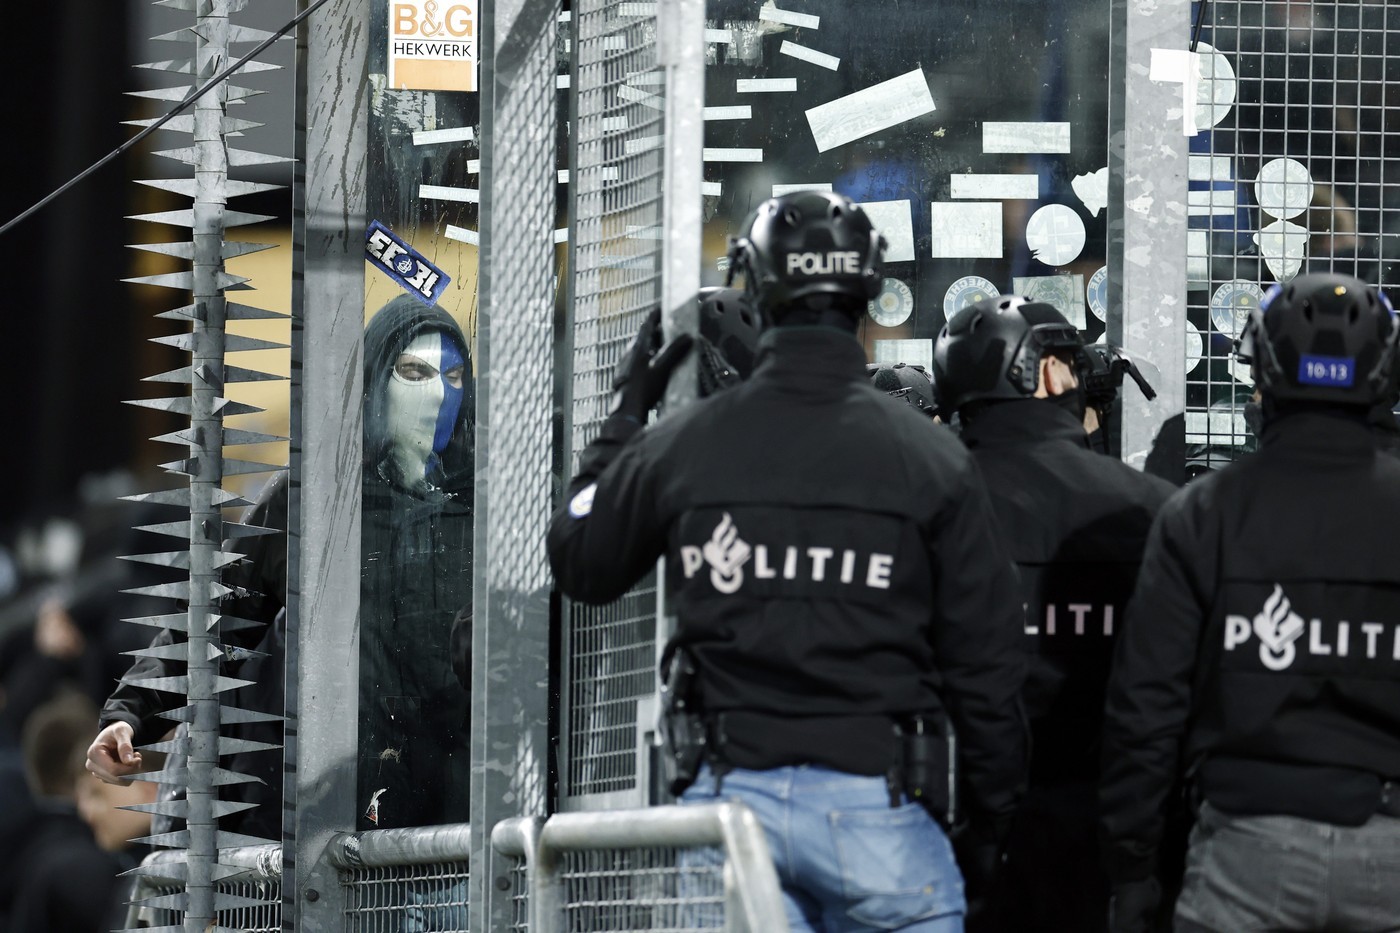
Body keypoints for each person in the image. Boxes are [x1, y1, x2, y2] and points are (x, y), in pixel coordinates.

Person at [549, 190, 1027, 932]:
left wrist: (622, 417)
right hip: (882, 810)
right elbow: (988, 670)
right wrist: (989, 828)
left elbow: (581, 556)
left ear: (757, 286)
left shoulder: (687, 443)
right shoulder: (932, 460)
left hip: (729, 812)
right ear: (867, 290)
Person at [1100, 272, 1400, 933]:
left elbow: (1146, 708)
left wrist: (1131, 865)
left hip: (1246, 849)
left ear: (1263, 370)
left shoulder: (1202, 512)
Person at [931, 297, 1177, 933]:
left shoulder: (919, 502)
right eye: (1068, 361)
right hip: (1102, 826)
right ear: (1043, 374)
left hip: (946, 820)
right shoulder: (1151, 509)